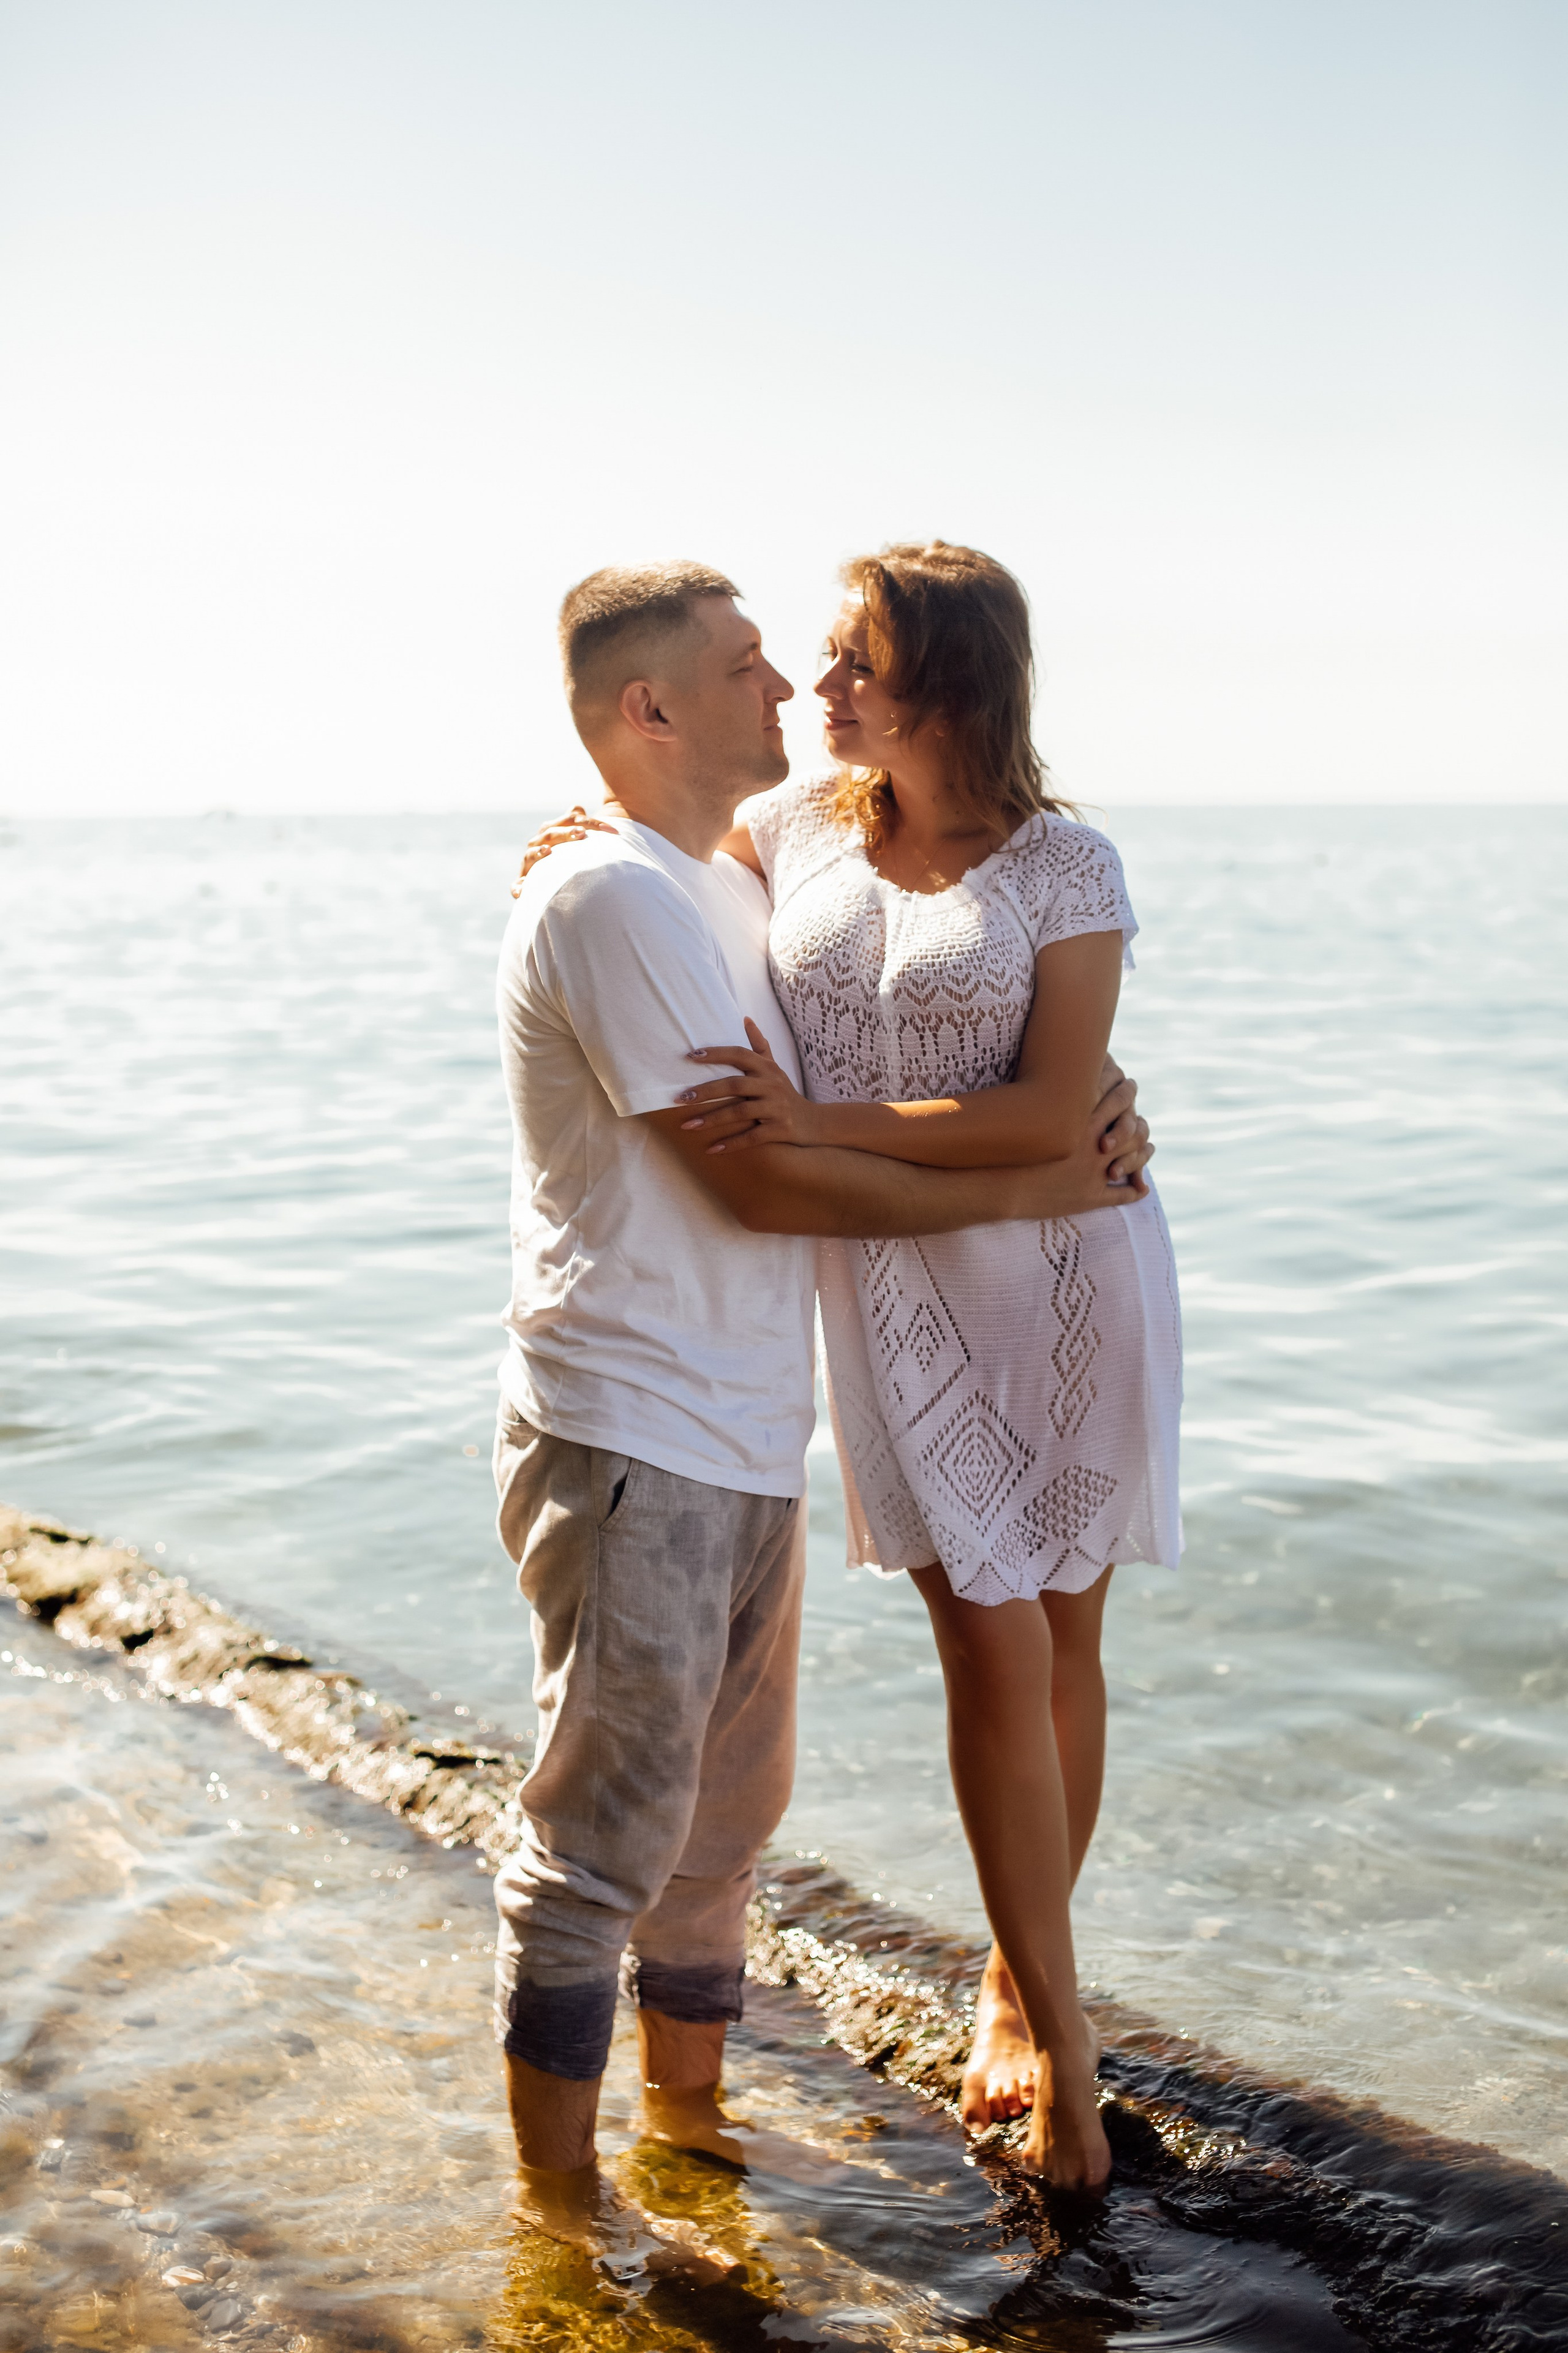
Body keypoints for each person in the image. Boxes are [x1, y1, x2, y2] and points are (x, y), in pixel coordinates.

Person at [494, 558, 1154, 2249]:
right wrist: (569, 832)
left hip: (1057, 1278)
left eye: (849, 660)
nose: (807, 686)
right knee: (987, 1640)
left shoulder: (1061, 861)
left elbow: (1052, 1101)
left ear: (948, 678)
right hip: (881, 1288)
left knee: (1060, 1639)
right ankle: (1056, 2032)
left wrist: (1040, 1126)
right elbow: (647, 850)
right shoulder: (781, 834)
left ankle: (1021, 1985)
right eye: (786, 662)